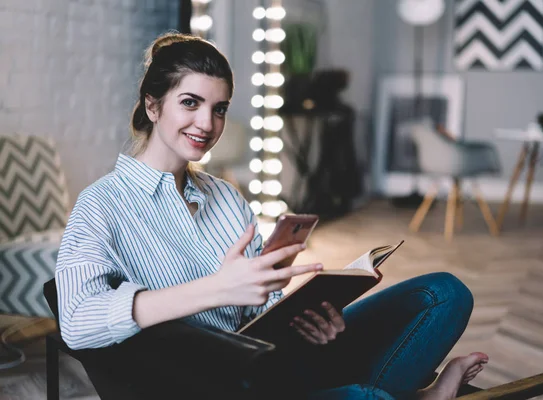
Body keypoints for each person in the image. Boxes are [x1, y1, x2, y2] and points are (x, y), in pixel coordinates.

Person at [55, 31, 488, 400]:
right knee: (365, 397)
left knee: (445, 293)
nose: (206, 123)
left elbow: (260, 313)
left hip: (274, 355)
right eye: (190, 102)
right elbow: (76, 323)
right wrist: (216, 289)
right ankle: (416, 395)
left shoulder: (226, 199)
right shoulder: (102, 204)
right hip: (215, 380)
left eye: (219, 108)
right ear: (153, 106)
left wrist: (308, 318)